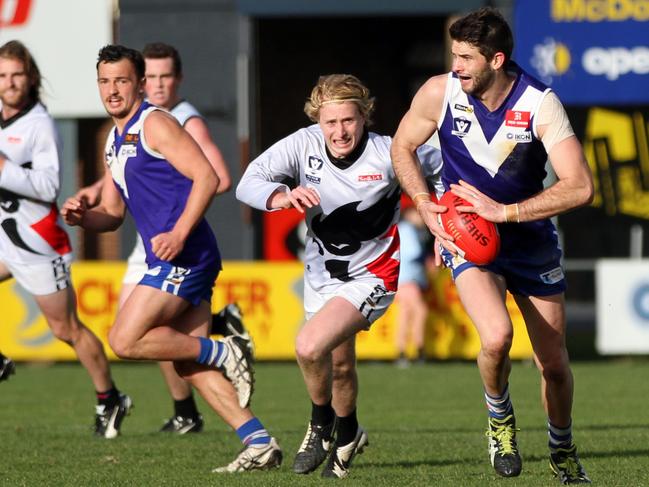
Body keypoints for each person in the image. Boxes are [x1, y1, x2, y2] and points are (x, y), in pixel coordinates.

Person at [391, 7, 593, 484]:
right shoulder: (439, 93)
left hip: (529, 242)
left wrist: (504, 212)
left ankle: (562, 449)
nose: (455, 65)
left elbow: (580, 186)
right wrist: (424, 202)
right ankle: (500, 422)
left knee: (555, 366)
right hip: (470, 241)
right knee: (497, 337)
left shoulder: (540, 104)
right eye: (453, 55)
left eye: (465, 57)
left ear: (497, 59)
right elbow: (402, 146)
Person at [61, 44, 281, 473]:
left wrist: (179, 233)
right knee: (187, 363)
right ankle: (258, 442)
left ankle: (225, 351)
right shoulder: (113, 139)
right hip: (174, 256)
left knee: (123, 340)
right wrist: (84, 218)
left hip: (187, 254)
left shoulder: (156, 124)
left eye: (121, 80)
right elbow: (113, 216)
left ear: (139, 83)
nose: (112, 90)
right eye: (105, 82)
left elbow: (208, 176)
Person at [236, 74, 442, 478]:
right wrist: (281, 196)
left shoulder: (389, 152)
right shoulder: (302, 144)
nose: (339, 131)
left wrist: (446, 223)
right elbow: (247, 183)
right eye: (330, 123)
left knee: (310, 346)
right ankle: (348, 434)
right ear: (318, 120)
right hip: (321, 275)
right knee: (340, 366)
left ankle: (320, 424)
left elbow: (444, 170)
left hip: (374, 274)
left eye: (348, 120)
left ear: (365, 116)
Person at [0, 40, 133, 438]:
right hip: (8, 237)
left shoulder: (38, 124)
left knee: (66, 329)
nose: (9, 83)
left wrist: (4, 168)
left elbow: (48, 185)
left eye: (16, 75)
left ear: (31, 78)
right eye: (2, 75)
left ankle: (110, 398)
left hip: (39, 244)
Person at [394, 195, 433, 368]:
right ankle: (418, 350)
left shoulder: (405, 229)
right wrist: (427, 259)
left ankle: (402, 352)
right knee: (419, 311)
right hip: (408, 278)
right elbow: (413, 253)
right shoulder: (407, 229)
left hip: (404, 278)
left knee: (406, 314)